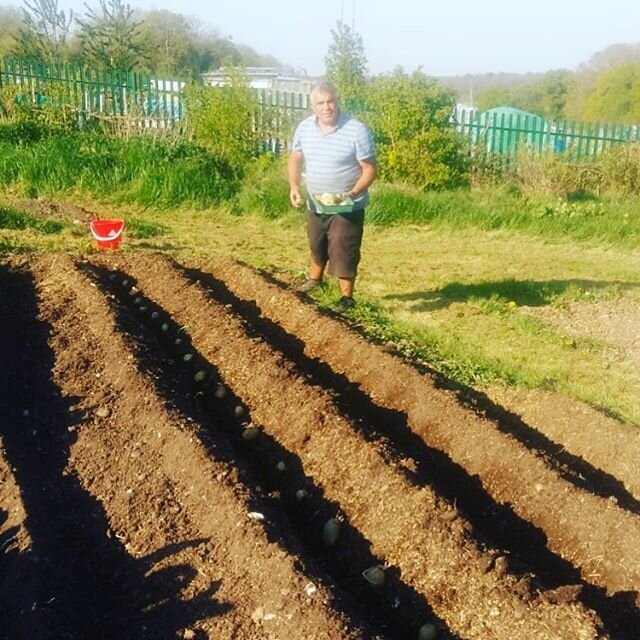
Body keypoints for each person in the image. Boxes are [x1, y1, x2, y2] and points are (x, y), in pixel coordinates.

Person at [288, 80, 377, 312]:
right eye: (321, 103)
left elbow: (370, 169)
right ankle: (315, 281)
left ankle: (347, 298)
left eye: (331, 101)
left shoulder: (357, 130)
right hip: (317, 201)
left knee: (342, 246)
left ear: (337, 102)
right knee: (317, 242)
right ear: (313, 107)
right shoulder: (305, 128)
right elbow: (295, 157)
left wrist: (354, 192)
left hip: (347, 204)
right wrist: (294, 186)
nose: (327, 107)